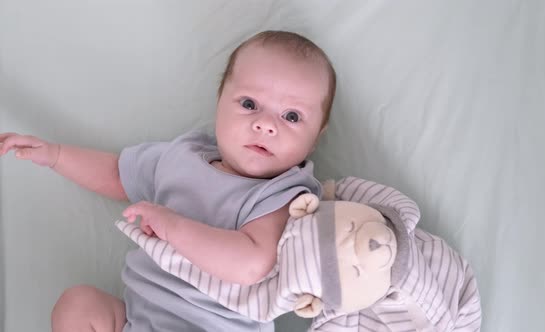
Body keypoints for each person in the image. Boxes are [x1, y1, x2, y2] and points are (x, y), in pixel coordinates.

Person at [0, 30, 337, 332]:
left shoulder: (284, 193)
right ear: (219, 101)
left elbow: (251, 264)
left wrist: (174, 227)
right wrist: (56, 155)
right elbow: (118, 173)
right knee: (78, 305)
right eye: (249, 104)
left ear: (316, 136)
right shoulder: (182, 155)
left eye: (291, 116)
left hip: (213, 326)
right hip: (139, 319)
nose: (265, 124)